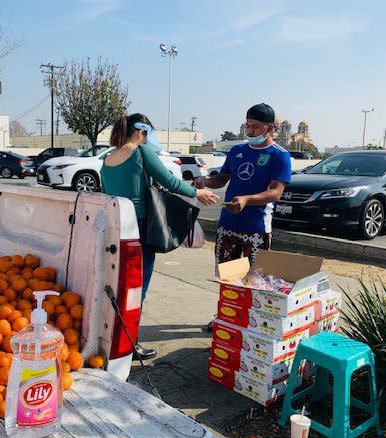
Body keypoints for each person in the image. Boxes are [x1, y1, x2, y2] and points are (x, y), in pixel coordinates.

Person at [101, 113, 219, 359]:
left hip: (115, 227)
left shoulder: (108, 159)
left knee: (119, 284)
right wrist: (198, 194)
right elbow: (170, 182)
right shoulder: (140, 153)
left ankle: (111, 338)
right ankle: (130, 345)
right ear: (141, 132)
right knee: (137, 289)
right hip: (141, 228)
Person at [193, 103, 291, 330]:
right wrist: (205, 182)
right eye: (247, 126)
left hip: (256, 229)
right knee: (228, 277)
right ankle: (225, 317)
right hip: (228, 225)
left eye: (255, 127)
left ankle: (250, 324)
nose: (250, 132)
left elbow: (275, 193)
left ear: (269, 128)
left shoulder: (280, 156)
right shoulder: (237, 151)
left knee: (253, 281)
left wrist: (246, 200)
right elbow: (222, 179)